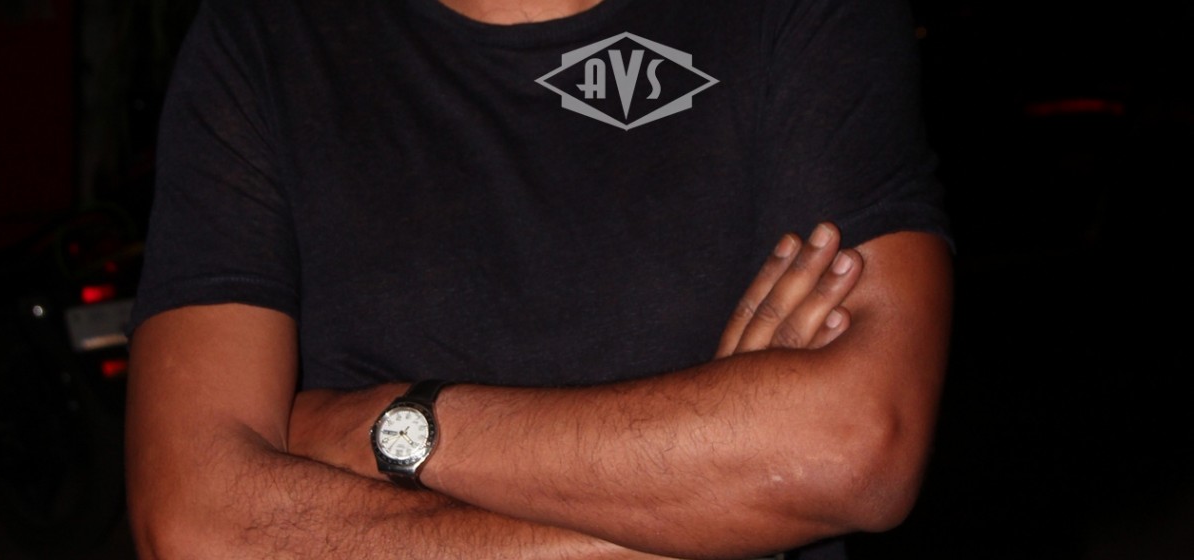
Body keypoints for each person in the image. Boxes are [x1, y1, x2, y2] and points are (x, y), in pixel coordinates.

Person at [123, 0, 953, 558]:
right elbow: (195, 521)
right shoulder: (262, 35)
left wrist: (389, 427)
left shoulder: (804, 13)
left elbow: (853, 446)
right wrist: (710, 516)